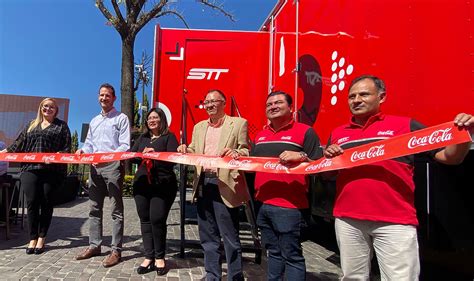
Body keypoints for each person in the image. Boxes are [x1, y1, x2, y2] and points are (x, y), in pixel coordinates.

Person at [323, 75, 474, 280]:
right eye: (352, 96)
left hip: (394, 222)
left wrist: (464, 135)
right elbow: (328, 175)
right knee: (352, 277)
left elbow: (449, 158)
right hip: (347, 220)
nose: (356, 100)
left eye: (364, 94)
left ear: (381, 97)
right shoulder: (338, 133)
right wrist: (329, 159)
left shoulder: (406, 126)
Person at [177, 89, 250, 281]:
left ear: (223, 103)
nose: (209, 105)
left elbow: (245, 151)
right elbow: (194, 149)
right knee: (207, 235)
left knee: (230, 236)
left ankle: (235, 275)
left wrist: (236, 152)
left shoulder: (238, 123)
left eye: (213, 101)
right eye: (206, 102)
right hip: (203, 182)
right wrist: (185, 148)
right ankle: (212, 274)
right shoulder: (199, 127)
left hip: (224, 183)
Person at [252, 91, 322, 281]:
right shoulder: (261, 135)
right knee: (273, 252)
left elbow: (319, 164)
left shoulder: (305, 131)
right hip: (263, 203)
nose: (273, 106)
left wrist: (302, 157)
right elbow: (250, 163)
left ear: (290, 107)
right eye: (269, 104)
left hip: (290, 206)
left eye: (278, 103)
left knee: (292, 256)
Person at [0, 98, 71, 254]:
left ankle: (41, 238)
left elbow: (67, 148)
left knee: (46, 202)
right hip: (29, 168)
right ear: (40, 108)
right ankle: (32, 238)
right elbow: (17, 144)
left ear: (56, 110)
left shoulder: (62, 126)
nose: (48, 109)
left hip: (51, 170)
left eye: (51, 107)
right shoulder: (31, 125)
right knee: (32, 202)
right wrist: (2, 153)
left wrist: (58, 155)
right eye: (45, 106)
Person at [75, 83, 130, 268]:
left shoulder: (121, 118)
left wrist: (110, 158)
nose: (104, 98)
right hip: (94, 168)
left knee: (116, 210)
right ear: (98, 97)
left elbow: (124, 145)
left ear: (114, 98)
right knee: (94, 209)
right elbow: (89, 144)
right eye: (101, 95)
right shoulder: (94, 121)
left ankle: (116, 250)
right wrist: (83, 151)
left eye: (108, 95)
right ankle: (94, 246)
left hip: (113, 167)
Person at [130, 108, 178, 275]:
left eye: (155, 117)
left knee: (157, 219)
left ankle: (159, 257)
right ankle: (148, 256)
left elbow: (172, 160)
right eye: (149, 118)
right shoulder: (142, 138)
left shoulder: (169, 137)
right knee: (145, 220)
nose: (152, 120)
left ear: (162, 119)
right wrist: (141, 155)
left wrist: (156, 154)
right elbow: (132, 155)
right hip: (142, 183)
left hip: (163, 184)